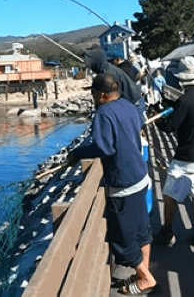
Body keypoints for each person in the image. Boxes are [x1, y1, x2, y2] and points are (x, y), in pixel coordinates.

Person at [68, 73, 158, 295]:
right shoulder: (128, 105)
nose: (92, 97)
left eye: (93, 93)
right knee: (141, 233)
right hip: (140, 176)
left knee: (123, 239)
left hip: (123, 184)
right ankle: (142, 272)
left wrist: (77, 152)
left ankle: (146, 279)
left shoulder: (103, 113)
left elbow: (104, 147)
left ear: (101, 95)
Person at [152, 56, 194, 249]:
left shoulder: (185, 101)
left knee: (170, 196)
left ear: (182, 78)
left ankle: (168, 232)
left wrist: (157, 117)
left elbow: (169, 126)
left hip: (186, 160)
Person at [84, 49, 142, 115]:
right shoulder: (107, 68)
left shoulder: (109, 73)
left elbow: (114, 95)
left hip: (134, 102)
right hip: (130, 101)